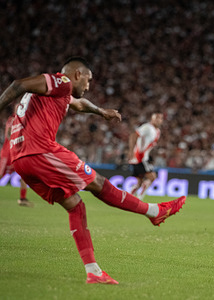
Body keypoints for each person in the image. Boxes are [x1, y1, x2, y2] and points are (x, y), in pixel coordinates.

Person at [0, 57, 186, 284]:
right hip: (39, 150)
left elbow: (79, 104)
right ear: (78, 74)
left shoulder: (59, 93)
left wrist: (101, 112)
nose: (88, 86)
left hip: (20, 158)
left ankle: (94, 271)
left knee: (75, 205)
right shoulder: (63, 81)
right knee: (97, 183)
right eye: (88, 80)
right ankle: (154, 212)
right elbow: (19, 84)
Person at [0, 109, 33, 207]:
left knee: (24, 174)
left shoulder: (24, 120)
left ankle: (22, 198)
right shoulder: (12, 119)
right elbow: (9, 134)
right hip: (7, 153)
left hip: (18, 153)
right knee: (1, 174)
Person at [128, 112, 163, 200]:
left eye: (160, 119)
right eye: (156, 118)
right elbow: (133, 136)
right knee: (152, 177)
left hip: (143, 158)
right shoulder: (147, 127)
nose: (159, 120)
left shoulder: (157, 131)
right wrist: (131, 151)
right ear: (152, 119)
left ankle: (129, 197)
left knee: (139, 182)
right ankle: (140, 196)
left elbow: (150, 145)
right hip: (140, 157)